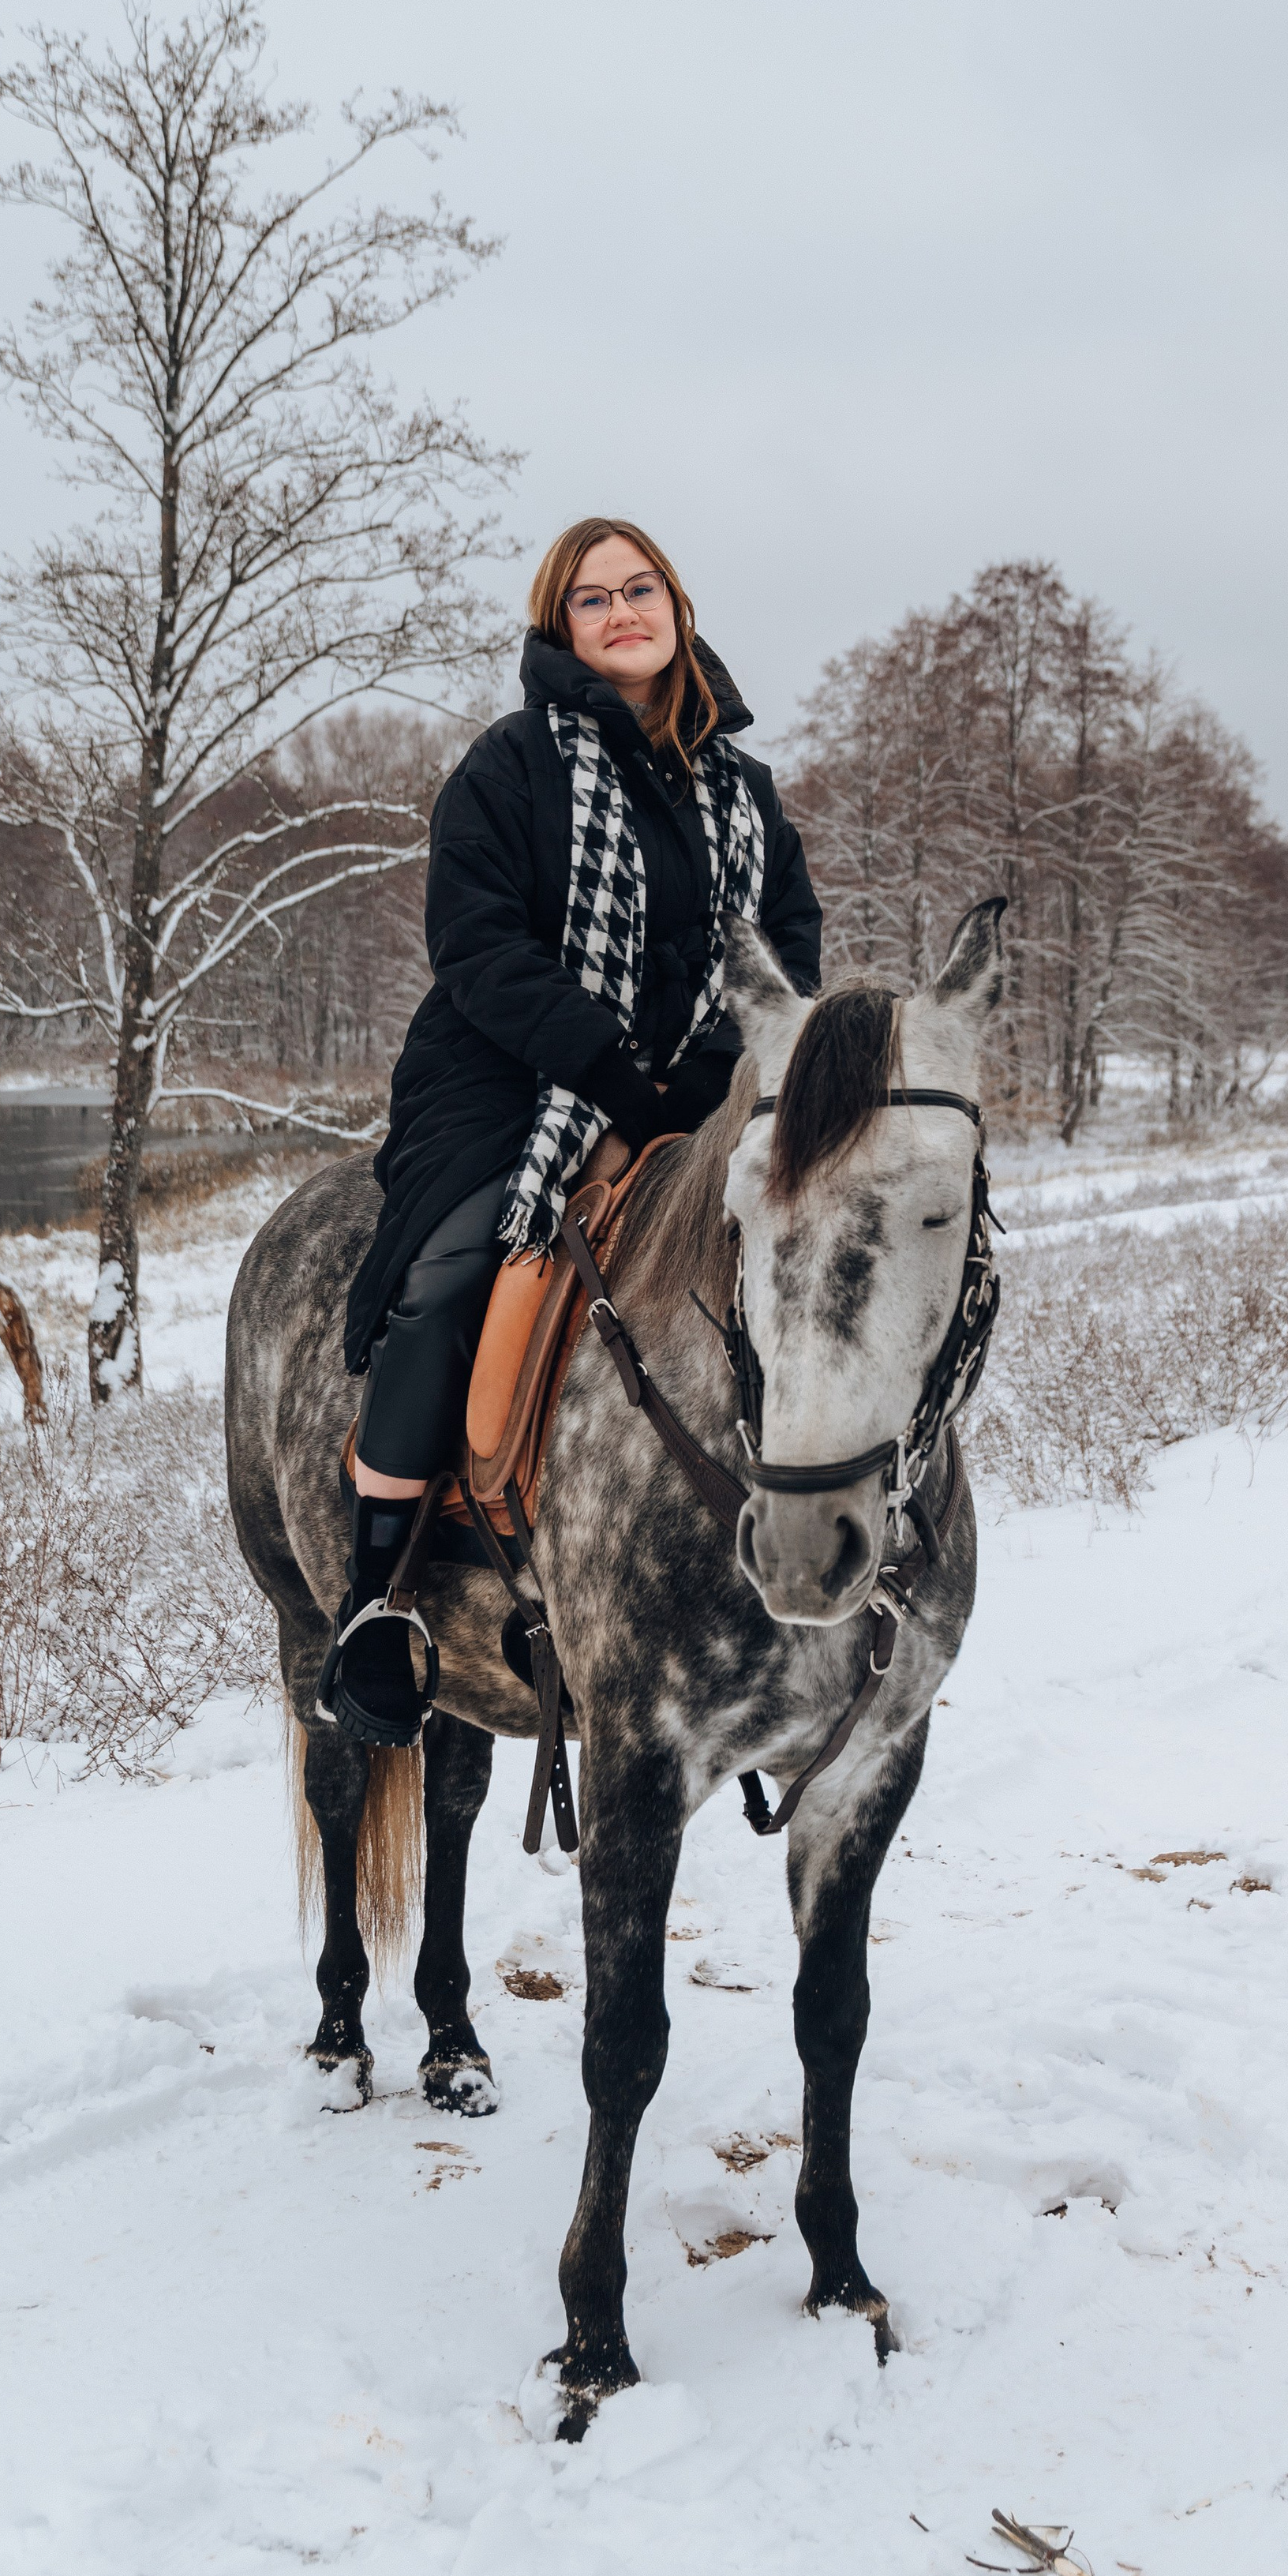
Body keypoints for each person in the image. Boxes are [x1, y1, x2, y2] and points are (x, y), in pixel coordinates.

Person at [326, 518, 823, 1749]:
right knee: (450, 1277)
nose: (620, 613)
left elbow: (787, 959)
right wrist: (604, 1069)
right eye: (591, 599)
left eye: (639, 589)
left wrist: (698, 1080)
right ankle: (376, 1599)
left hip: (702, 1093)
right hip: (508, 1078)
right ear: (563, 628)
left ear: (677, 609)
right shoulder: (508, 769)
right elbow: (476, 948)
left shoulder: (746, 792)